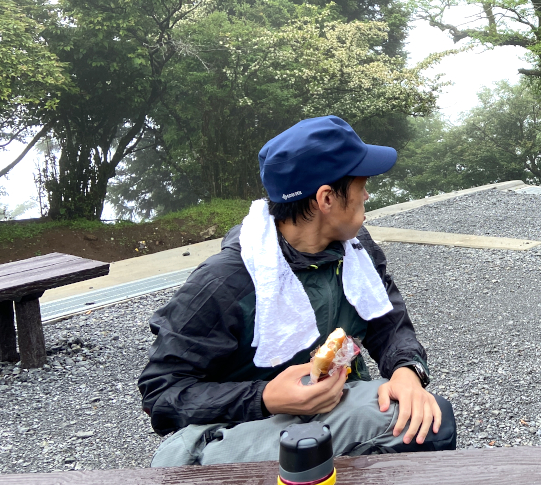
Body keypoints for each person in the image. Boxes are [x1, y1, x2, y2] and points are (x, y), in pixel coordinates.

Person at [139, 116, 456, 466]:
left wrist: (407, 373)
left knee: (429, 422)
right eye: (361, 184)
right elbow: (163, 394)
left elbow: (389, 325)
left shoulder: (353, 250)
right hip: (241, 428)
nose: (367, 194)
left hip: (328, 408)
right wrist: (266, 397)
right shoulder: (227, 280)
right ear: (326, 199)